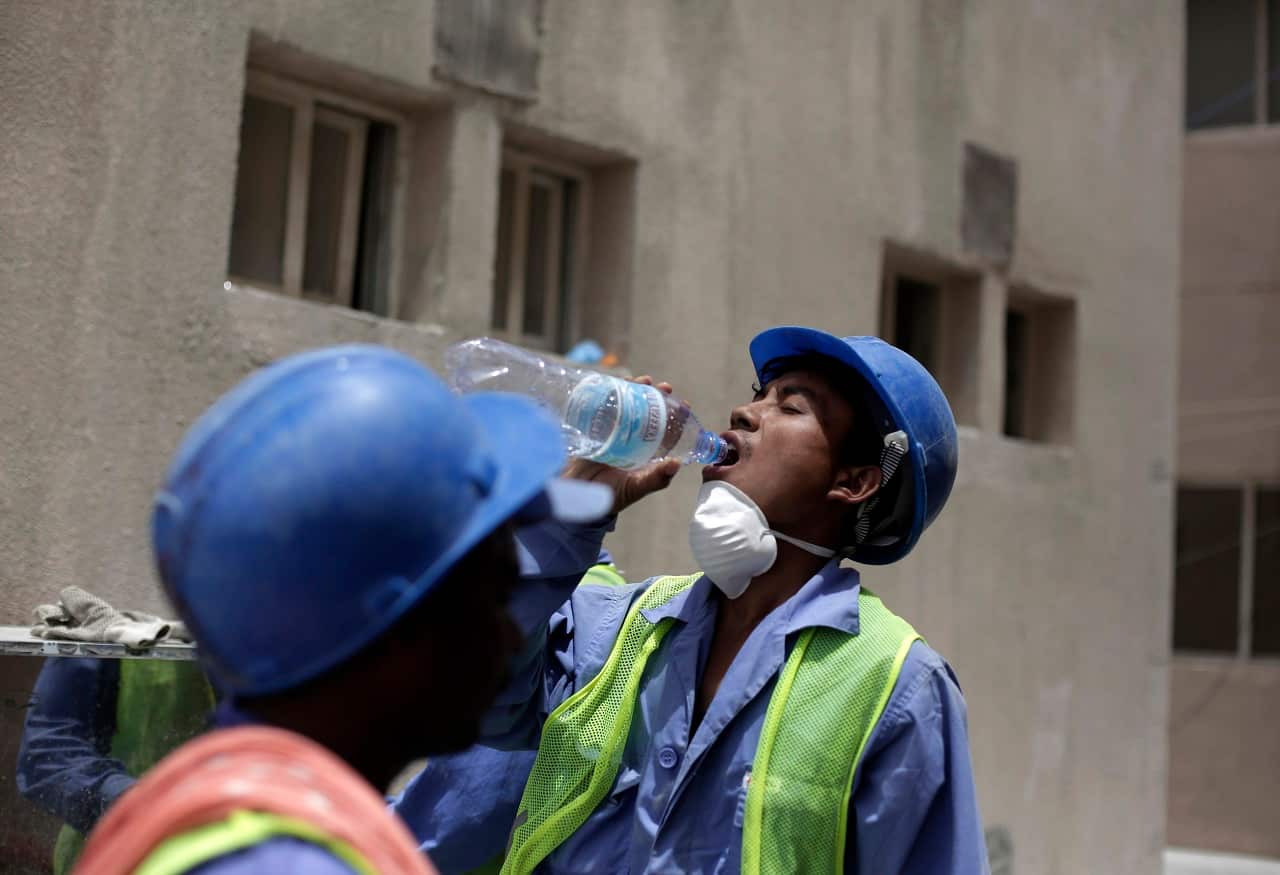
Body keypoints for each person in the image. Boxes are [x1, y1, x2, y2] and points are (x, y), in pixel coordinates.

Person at [402, 326, 989, 874]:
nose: (744, 412)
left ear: (856, 481)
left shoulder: (895, 686)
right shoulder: (620, 627)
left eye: (790, 407)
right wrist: (567, 518)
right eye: (758, 395)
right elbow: (471, 698)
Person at [71, 344, 612, 874]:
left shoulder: (213, 807)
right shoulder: (283, 862)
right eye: (497, 596)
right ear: (400, 627)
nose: (514, 638)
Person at [17, 656, 215, 873]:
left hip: (233, 851)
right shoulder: (106, 628)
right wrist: (135, 801)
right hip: (110, 856)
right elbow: (47, 752)